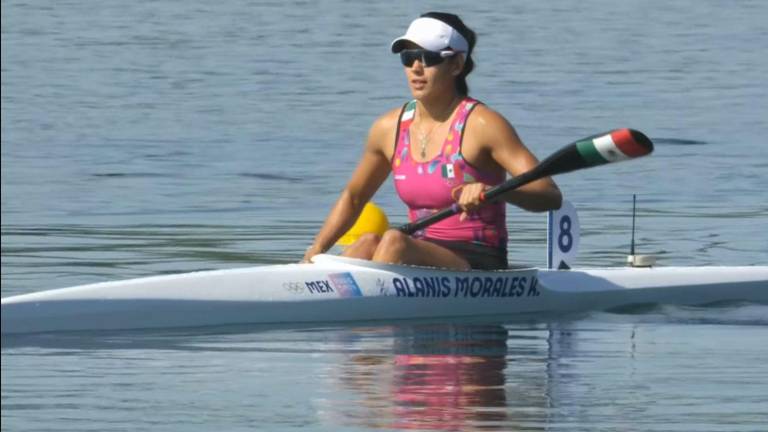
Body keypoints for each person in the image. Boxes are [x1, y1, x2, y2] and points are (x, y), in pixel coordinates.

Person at [303, 12, 562, 270]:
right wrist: (313, 254)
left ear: (457, 65)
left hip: (478, 261)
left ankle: (363, 307)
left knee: (393, 241)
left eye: (429, 57)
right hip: (417, 253)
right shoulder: (388, 128)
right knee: (368, 242)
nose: (416, 67)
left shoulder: (483, 125)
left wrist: (494, 192)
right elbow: (354, 198)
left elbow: (549, 195)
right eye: (409, 57)